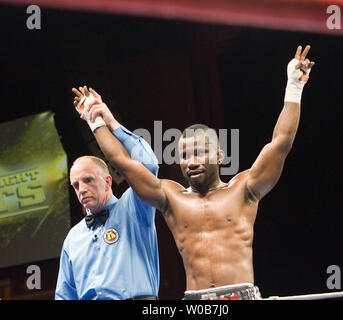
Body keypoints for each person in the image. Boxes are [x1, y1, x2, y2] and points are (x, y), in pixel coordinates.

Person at [80, 45, 315, 300]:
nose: (191, 162)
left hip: (242, 295)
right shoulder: (170, 197)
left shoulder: (245, 188)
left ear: (219, 156)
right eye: (184, 156)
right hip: (195, 301)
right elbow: (122, 162)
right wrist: (96, 120)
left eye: (200, 153)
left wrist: (294, 86)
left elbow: (280, 142)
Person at [55, 87, 160, 300]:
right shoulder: (73, 238)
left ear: (107, 181)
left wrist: (106, 122)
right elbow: (64, 296)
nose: (81, 189)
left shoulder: (134, 207)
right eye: (75, 185)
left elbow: (148, 167)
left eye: (88, 180)